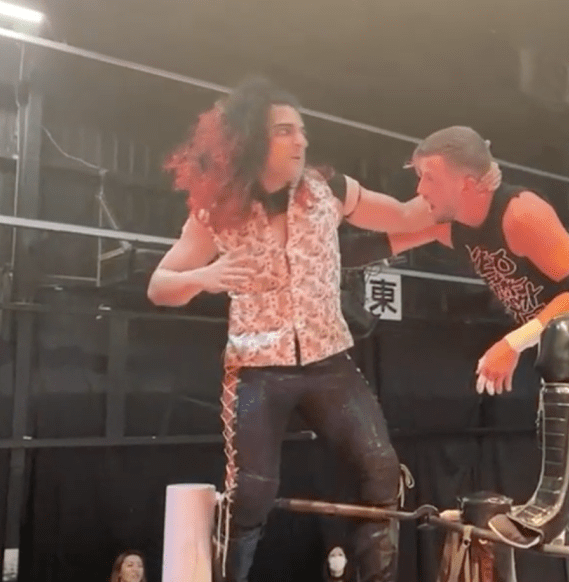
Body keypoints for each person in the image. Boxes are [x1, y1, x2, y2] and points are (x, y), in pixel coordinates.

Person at [147, 76, 433, 582]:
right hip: (258, 368)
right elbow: (159, 286)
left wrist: (460, 195)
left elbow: (406, 215)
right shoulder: (218, 211)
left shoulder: (330, 190)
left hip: (329, 360)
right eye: (285, 130)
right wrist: (205, 277)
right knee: (251, 492)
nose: (301, 140)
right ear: (252, 139)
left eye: (301, 130)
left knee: (381, 467)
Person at [348, 126, 569, 577]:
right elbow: (381, 239)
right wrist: (303, 244)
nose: (420, 189)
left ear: (466, 183)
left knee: (563, 335)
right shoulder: (451, 225)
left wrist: (513, 342)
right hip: (560, 346)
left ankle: (550, 510)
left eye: (428, 177)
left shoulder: (521, 213)